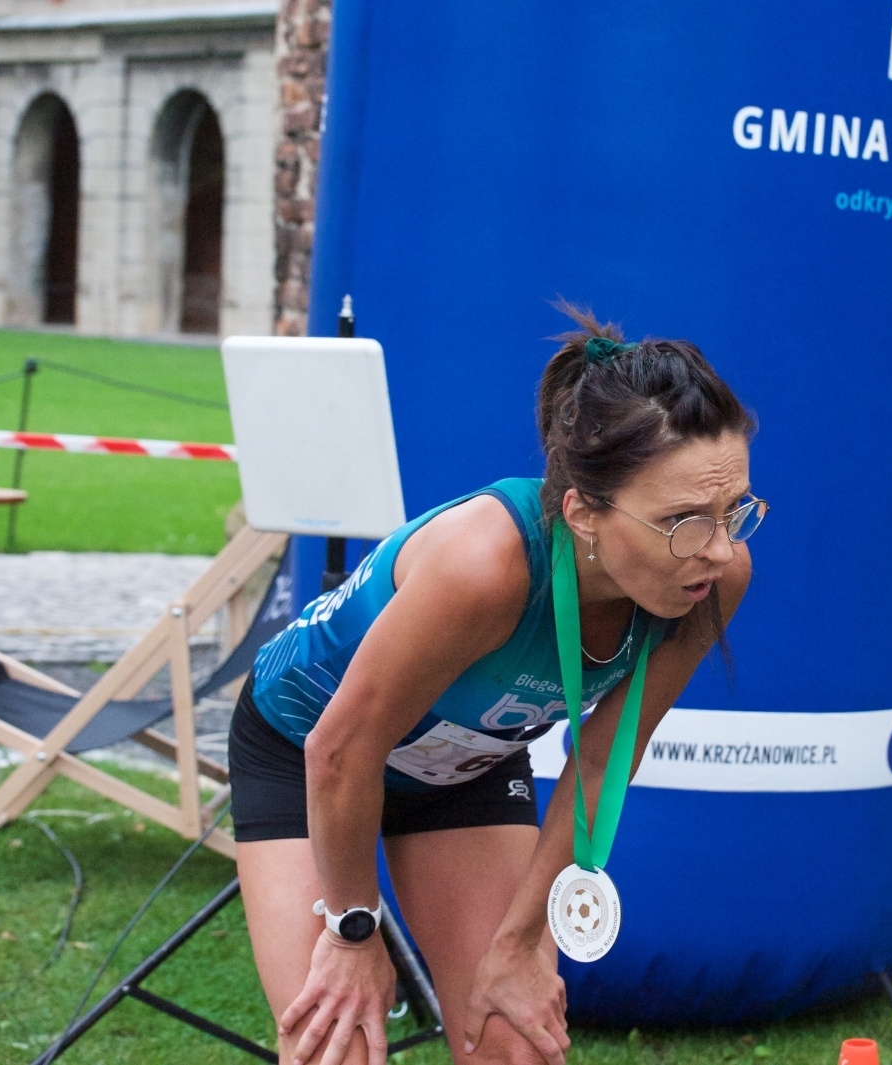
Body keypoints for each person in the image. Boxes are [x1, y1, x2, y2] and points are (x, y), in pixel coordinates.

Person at [228, 304, 766, 1065]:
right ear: (582, 513)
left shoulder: (715, 575)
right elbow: (340, 749)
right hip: (308, 748)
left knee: (514, 1043)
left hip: (461, 766)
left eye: (733, 510)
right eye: (683, 520)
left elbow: (603, 757)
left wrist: (520, 944)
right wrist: (353, 928)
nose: (716, 549)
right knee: (335, 1048)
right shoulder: (483, 566)